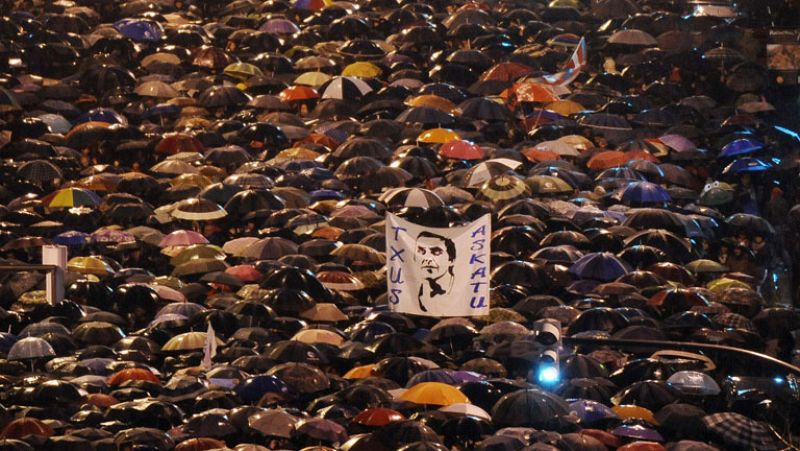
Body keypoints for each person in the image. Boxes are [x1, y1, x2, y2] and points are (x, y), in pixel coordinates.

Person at [414, 231, 456, 312]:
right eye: (421, 251)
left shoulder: (461, 290)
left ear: (451, 260)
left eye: (436, 252)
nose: (427, 258)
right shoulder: (411, 288)